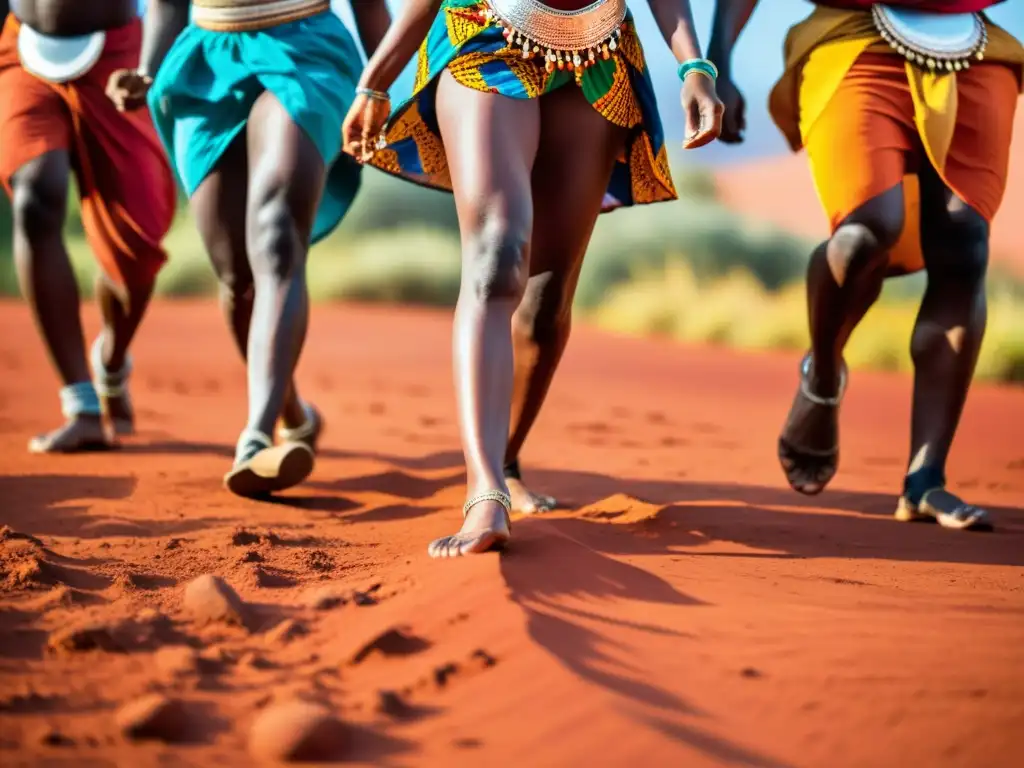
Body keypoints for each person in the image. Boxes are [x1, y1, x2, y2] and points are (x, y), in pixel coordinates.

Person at [341, 0, 723, 557]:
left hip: (599, 55)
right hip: (485, 33)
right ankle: (484, 489)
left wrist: (694, 67)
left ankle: (507, 455)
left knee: (545, 300)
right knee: (496, 260)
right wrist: (374, 83)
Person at [709, 0, 1023, 530]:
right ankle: (823, 379)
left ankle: (926, 479)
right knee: (863, 234)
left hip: (976, 48)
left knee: (965, 247)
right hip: (854, 39)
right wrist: (717, 64)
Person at [106, 0, 391, 497]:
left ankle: (256, 437)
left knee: (277, 236)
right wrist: (147, 70)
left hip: (308, 54)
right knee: (237, 277)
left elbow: (370, 7)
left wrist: (385, 89)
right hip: (204, 65)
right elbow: (168, 4)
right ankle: (293, 415)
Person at [0, 0, 176, 453]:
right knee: (36, 199)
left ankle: (111, 360)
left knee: (137, 249)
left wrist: (151, 69)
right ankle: (81, 404)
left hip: (121, 57)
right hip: (23, 47)